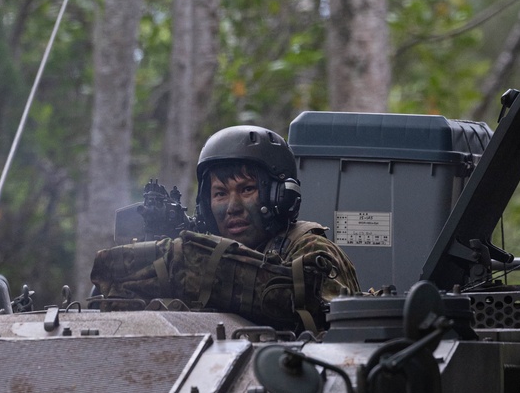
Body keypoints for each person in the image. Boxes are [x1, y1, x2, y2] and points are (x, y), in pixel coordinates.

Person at [91, 124, 360, 333]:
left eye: (246, 189)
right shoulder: (193, 253)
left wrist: (205, 269)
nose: (232, 207)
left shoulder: (311, 248)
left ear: (281, 196)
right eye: (220, 194)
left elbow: (334, 326)